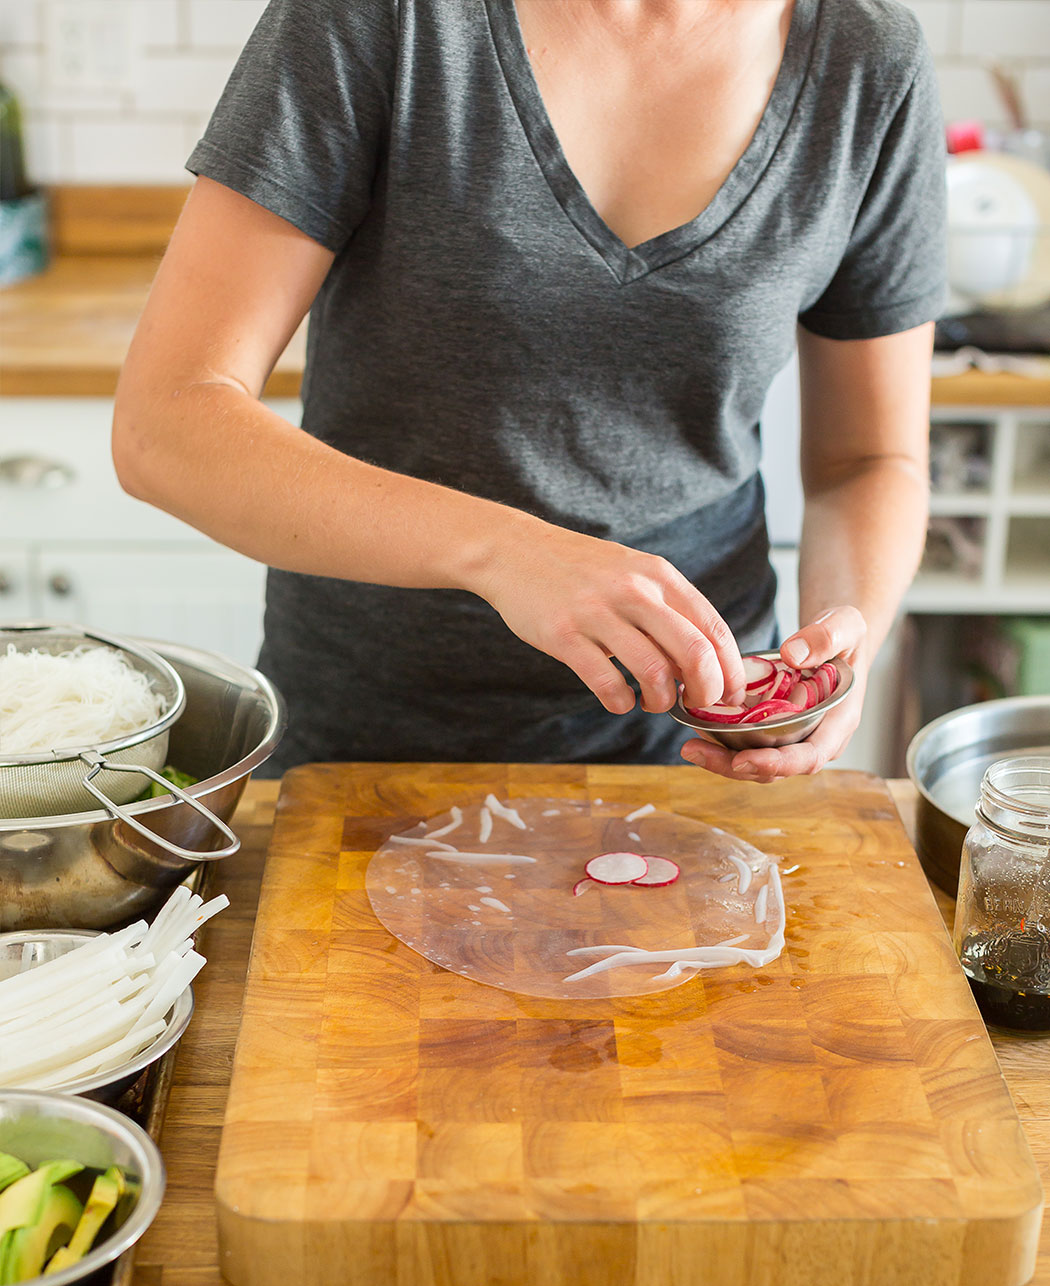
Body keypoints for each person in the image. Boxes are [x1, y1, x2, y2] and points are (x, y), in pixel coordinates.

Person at [113, 0, 945, 784]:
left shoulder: (867, 60)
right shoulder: (385, 19)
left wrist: (836, 654)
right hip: (371, 743)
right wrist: (504, 552)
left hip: (689, 747)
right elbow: (166, 422)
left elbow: (868, 459)